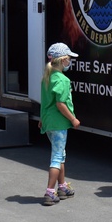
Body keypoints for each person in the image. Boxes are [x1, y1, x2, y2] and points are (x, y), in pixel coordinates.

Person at [39, 42, 80, 206]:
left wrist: (42, 119)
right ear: (63, 60)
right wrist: (73, 119)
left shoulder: (47, 78)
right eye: (69, 58)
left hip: (49, 122)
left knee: (60, 154)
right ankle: (50, 191)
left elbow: (45, 102)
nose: (70, 61)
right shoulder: (63, 80)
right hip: (59, 123)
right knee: (57, 157)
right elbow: (60, 104)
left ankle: (62, 187)